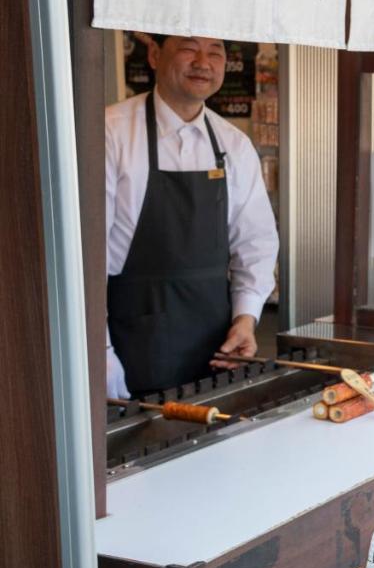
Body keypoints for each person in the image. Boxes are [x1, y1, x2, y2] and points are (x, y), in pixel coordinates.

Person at [105, 34, 278, 400]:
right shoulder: (111, 132)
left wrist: (245, 320)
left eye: (215, 52)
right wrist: (101, 358)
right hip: (127, 348)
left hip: (215, 353)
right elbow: (82, 259)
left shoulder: (233, 144)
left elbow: (256, 242)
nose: (204, 62)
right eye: (188, 48)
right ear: (154, 54)